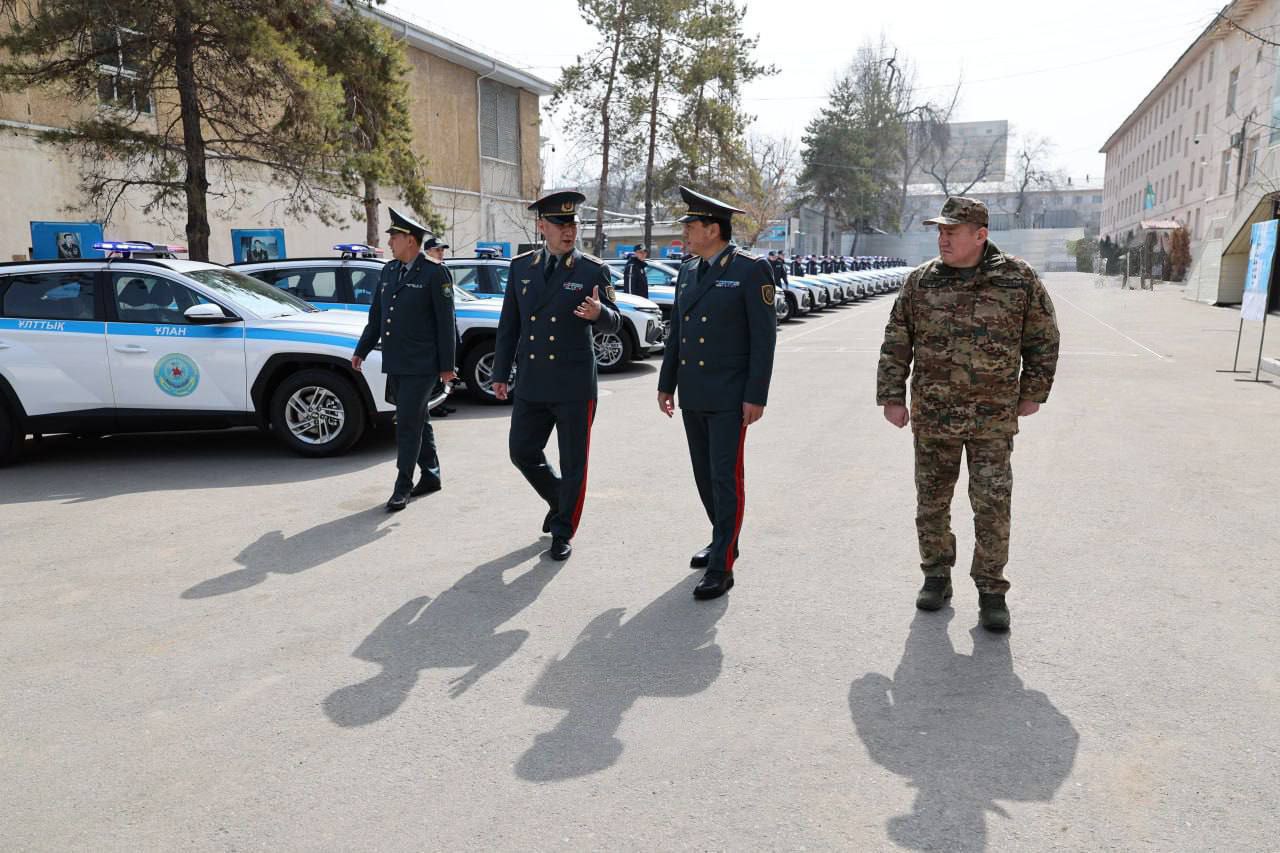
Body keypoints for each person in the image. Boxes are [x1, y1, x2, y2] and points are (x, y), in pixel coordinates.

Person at [876, 196, 1060, 631]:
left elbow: (1043, 338)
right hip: (934, 414)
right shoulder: (921, 282)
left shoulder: (1018, 278)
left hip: (992, 417)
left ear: (980, 235)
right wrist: (891, 396)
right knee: (932, 502)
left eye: (951, 232)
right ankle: (936, 576)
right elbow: (896, 340)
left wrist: (1034, 392)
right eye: (940, 232)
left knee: (992, 505)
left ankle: (992, 591)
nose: (942, 239)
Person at [657, 186, 777, 600]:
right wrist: (666, 383)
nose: (685, 233)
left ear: (712, 229)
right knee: (704, 475)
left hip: (729, 395)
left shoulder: (750, 270)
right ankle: (722, 538)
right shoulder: (689, 270)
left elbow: (764, 340)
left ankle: (722, 565)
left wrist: (756, 395)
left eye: (691, 225)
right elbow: (678, 333)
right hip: (694, 391)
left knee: (726, 478)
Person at [492, 191, 622, 562]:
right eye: (560, 224)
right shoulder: (521, 267)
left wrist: (599, 314)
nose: (569, 231)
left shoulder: (592, 270)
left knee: (573, 463)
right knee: (521, 451)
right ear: (542, 227)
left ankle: (564, 530)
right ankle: (560, 497)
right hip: (533, 380)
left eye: (573, 224)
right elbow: (509, 325)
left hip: (573, 384)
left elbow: (616, 322)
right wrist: (500, 372)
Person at [352, 208, 457, 511]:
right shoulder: (389, 271)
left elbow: (445, 324)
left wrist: (447, 367)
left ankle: (403, 485)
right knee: (418, 418)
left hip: (422, 364)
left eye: (394, 237)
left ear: (410, 240)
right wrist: (361, 349)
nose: (390, 243)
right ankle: (431, 475)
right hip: (396, 361)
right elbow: (377, 317)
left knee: (407, 424)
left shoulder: (435, 273)